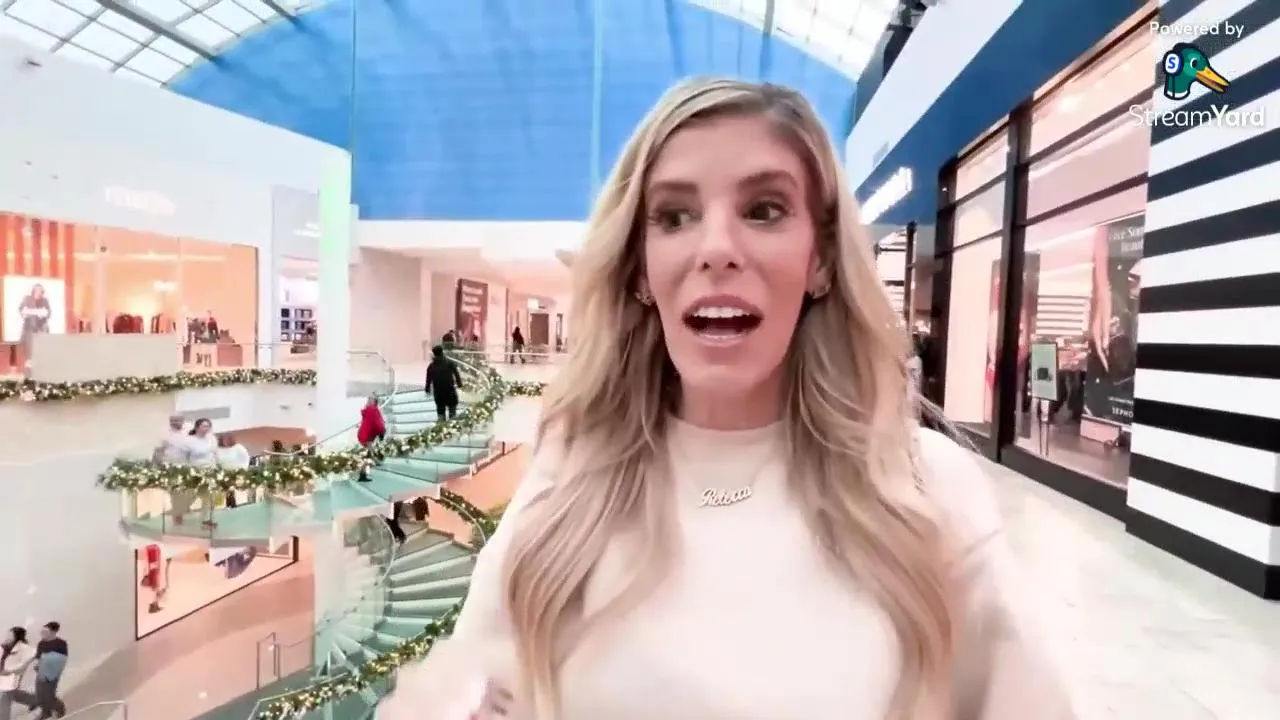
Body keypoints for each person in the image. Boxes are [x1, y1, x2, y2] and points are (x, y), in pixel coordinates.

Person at [378, 79, 1072, 720]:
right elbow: (464, 690)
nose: (715, 248)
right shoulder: (573, 474)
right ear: (641, 270)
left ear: (821, 259)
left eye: (764, 210)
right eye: (674, 216)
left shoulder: (925, 491)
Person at [18, 622, 66, 719]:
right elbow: (38, 657)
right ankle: (46, 712)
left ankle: (59, 708)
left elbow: (60, 660)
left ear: (53, 632)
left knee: (48, 696)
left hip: (52, 674)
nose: (42, 633)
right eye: (42, 631)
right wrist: (36, 664)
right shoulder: (42, 643)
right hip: (41, 672)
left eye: (45, 631)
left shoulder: (61, 644)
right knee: (40, 695)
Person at [0, 627, 35, 720]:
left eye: (10, 635)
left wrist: (9, 671)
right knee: (14, 695)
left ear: (17, 637)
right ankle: (38, 701)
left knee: (5, 698)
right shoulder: (4, 647)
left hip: (12, 678)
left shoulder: (23, 649)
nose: (7, 637)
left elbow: (24, 664)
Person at [424, 345, 462, 422]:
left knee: (440, 411)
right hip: (450, 390)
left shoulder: (431, 366)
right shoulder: (449, 363)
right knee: (452, 410)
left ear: (434, 354)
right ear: (442, 352)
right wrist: (459, 384)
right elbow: (456, 373)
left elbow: (428, 379)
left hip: (438, 392)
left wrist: (427, 388)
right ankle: (452, 425)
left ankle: (441, 426)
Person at [356, 394, 386, 482]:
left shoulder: (367, 409)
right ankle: (363, 474)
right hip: (367, 435)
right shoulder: (373, 409)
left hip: (363, 434)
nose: (369, 400)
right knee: (368, 454)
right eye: (370, 399)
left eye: (371, 399)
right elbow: (377, 422)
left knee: (368, 453)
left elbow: (373, 422)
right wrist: (382, 432)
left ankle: (364, 473)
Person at [215, 433, 251, 507]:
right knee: (224, 495)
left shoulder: (239, 448)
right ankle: (226, 506)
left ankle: (234, 505)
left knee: (234, 493)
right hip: (222, 475)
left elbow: (246, 459)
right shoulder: (217, 449)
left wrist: (241, 471)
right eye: (223, 438)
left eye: (227, 438)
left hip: (236, 475)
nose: (225, 441)